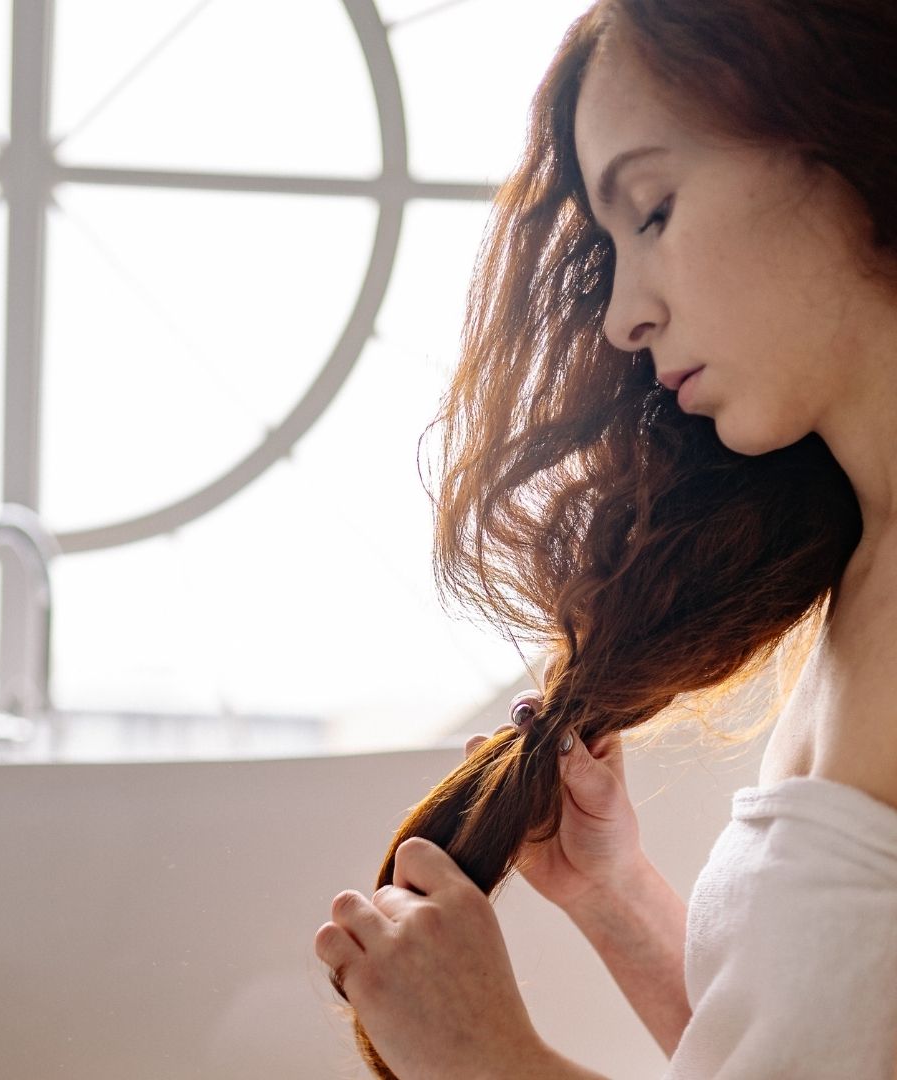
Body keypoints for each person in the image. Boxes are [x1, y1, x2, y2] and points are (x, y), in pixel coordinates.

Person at [315, 0, 897, 1077]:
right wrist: (615, 894)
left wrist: (487, 1056)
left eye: (655, 209)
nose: (624, 312)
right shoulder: (860, 582)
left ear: (850, 134)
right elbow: (791, 1051)